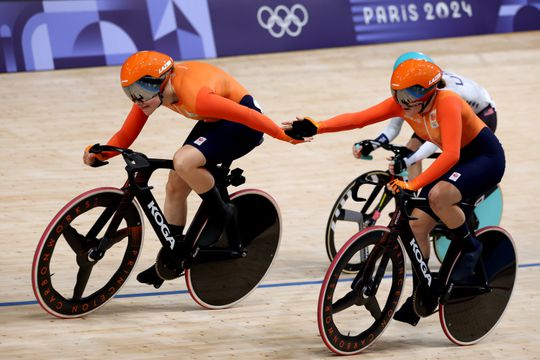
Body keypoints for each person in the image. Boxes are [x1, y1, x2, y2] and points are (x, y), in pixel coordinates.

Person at [285, 57, 505, 326]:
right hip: (460, 161)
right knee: (417, 224)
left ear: (428, 91)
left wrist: (412, 184)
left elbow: (450, 154)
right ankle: (423, 294)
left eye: (409, 93)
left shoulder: (447, 102)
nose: (402, 100)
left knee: (438, 196)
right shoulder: (406, 105)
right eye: (397, 92)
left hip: (484, 158)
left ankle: (470, 247)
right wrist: (317, 126)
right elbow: (358, 119)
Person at [83, 50, 298, 288]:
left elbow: (247, 115)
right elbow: (126, 134)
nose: (137, 100)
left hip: (244, 124)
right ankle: (174, 254)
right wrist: (102, 153)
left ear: (162, 82)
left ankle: (221, 210)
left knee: (183, 161)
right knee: (175, 182)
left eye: (141, 92)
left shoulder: (197, 96)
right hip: (215, 121)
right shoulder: (151, 95)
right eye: (130, 93)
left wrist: (282, 135)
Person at [353, 52, 498, 180]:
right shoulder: (416, 90)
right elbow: (394, 126)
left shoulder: (444, 95)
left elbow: (436, 141)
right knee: (411, 148)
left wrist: (409, 161)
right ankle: (412, 199)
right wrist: (374, 144)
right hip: (451, 108)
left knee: (454, 162)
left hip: (482, 114)